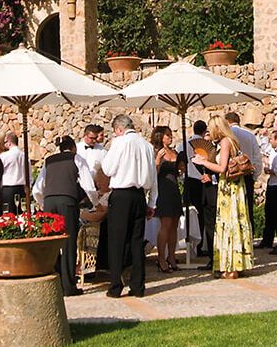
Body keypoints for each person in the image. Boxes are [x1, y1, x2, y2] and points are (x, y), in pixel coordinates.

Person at [100, 114, 156, 298]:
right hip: (139, 196)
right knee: (136, 241)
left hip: (122, 194)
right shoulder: (147, 146)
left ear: (118, 129)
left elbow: (107, 169)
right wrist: (151, 202)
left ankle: (116, 286)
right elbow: (153, 178)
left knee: (117, 241)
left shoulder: (120, 143)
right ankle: (138, 286)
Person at [33, 135, 95, 296]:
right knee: (68, 243)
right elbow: (88, 186)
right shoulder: (77, 159)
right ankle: (68, 286)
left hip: (49, 202)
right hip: (67, 202)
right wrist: (95, 203)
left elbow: (37, 189)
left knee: (51, 242)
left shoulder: (49, 160)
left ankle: (52, 283)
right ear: (73, 147)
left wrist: (43, 203)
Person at [195, 115, 254, 278]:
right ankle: (237, 263)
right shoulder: (232, 140)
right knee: (235, 222)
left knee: (229, 223)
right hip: (234, 186)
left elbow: (222, 168)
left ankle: (232, 267)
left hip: (229, 187)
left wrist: (203, 162)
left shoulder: (225, 142)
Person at [225, 111, 264, 237]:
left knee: (233, 208)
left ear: (227, 122)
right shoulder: (250, 136)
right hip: (247, 175)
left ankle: (235, 237)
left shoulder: (227, 136)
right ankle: (248, 237)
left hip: (231, 176)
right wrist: (254, 176)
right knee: (247, 209)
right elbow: (257, 158)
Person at [183, 121, 217, 261]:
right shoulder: (209, 147)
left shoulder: (183, 144)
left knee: (189, 214)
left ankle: (191, 248)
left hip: (188, 181)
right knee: (202, 216)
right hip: (202, 182)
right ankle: (202, 245)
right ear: (204, 131)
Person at [151, 125, 183, 272]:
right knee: (165, 224)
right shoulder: (156, 152)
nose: (170, 137)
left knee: (174, 224)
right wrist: (157, 160)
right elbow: (153, 174)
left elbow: (179, 172)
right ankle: (161, 258)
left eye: (170, 135)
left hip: (174, 188)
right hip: (163, 189)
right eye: (167, 135)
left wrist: (181, 167)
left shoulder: (174, 151)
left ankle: (171, 255)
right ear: (160, 137)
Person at [0, 132, 28, 214]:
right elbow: (29, 174)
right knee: (21, 215)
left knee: (8, 216)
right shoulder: (24, 155)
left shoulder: (5, 156)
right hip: (21, 188)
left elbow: (0, 172)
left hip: (8, 189)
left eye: (5, 142)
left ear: (9, 142)